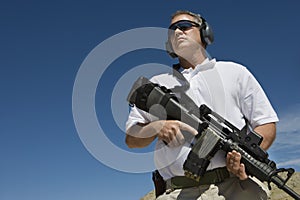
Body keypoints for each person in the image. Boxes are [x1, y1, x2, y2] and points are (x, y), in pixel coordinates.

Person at [125, 10, 278, 200]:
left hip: (235, 186)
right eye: (172, 30)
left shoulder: (234, 72)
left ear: (205, 32)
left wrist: (245, 160)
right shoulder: (157, 83)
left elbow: (266, 124)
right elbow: (131, 139)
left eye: (185, 27)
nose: (178, 32)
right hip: (178, 191)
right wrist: (156, 127)